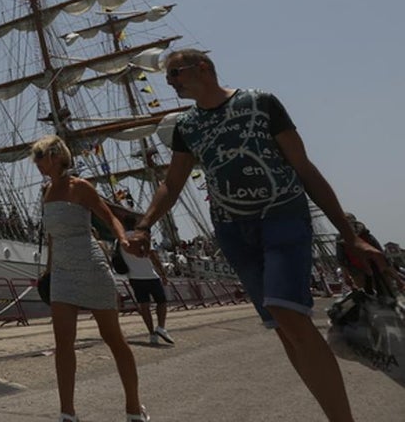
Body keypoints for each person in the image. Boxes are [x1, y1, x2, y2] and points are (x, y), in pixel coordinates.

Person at [127, 49, 392, 422]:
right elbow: (172, 184)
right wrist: (143, 225)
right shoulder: (186, 127)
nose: (169, 81)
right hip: (232, 231)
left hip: (281, 216)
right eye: (168, 76)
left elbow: (304, 167)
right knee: (284, 328)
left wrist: (349, 235)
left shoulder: (261, 103)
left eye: (175, 73)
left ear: (203, 67)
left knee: (288, 313)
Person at [34, 135, 148, 422]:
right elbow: (51, 236)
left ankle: (134, 406)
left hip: (90, 263)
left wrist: (123, 239)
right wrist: (48, 269)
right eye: (35, 156)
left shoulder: (80, 187)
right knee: (63, 343)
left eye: (41, 155)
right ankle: (67, 412)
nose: (37, 162)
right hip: (61, 271)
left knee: (113, 337)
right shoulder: (46, 191)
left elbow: (109, 217)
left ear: (58, 156)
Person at [117, 216, 173, 346]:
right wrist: (163, 274)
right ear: (136, 224)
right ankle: (161, 327)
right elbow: (153, 256)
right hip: (151, 276)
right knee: (162, 302)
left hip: (134, 277)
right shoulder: (143, 236)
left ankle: (152, 334)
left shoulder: (120, 240)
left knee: (144, 306)